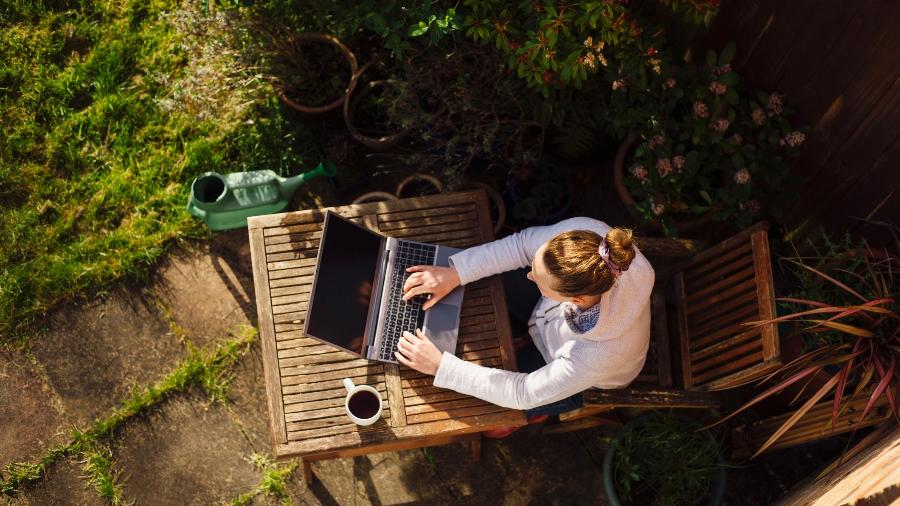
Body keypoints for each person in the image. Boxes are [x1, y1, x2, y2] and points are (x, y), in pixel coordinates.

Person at [394, 217, 655, 437]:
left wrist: (441, 367)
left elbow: (523, 391)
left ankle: (540, 411)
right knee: (490, 281)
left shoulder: (598, 355)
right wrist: (456, 273)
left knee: (491, 420)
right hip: (551, 317)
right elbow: (520, 246)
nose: (529, 276)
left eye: (538, 281)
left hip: (585, 375)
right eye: (534, 267)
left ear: (575, 299)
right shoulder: (586, 240)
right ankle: (525, 331)